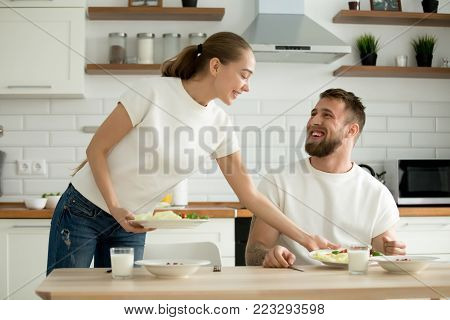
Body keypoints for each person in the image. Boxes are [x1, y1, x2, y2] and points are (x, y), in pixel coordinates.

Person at [46, 32, 337, 275]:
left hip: (131, 224)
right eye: (244, 75)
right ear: (215, 66)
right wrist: (115, 205)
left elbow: (250, 196)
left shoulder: (220, 124)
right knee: (67, 299)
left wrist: (308, 239)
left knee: (123, 302)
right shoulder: (153, 91)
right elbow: (97, 148)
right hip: (83, 210)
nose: (247, 87)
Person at [246, 88, 406, 268]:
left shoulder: (377, 194)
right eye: (313, 114)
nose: (314, 121)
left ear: (351, 131)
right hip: (294, 289)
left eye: (327, 115)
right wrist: (269, 256)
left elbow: (385, 254)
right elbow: (253, 253)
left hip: (353, 290)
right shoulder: (278, 181)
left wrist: (392, 253)